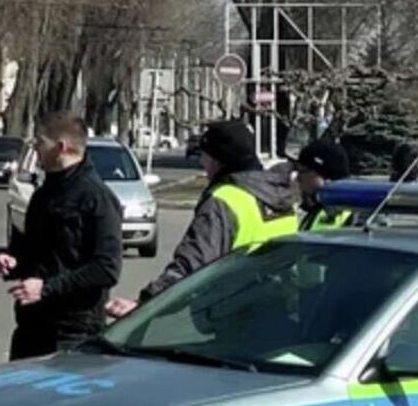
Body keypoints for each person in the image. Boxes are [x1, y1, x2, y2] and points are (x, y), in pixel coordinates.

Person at [106, 118, 296, 319]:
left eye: (204, 157)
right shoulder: (281, 197)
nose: (202, 164)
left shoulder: (224, 201)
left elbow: (191, 264)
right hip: (281, 313)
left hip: (236, 318)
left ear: (218, 160)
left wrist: (145, 305)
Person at [0, 111, 123, 359]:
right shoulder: (44, 194)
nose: (36, 150)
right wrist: (12, 261)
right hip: (31, 326)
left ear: (61, 147)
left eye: (40, 143)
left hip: (73, 333)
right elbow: (34, 250)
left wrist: (47, 288)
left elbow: (107, 268)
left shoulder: (96, 198)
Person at [296, 138, 354, 231]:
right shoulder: (316, 210)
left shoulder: (353, 218)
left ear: (326, 177)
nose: (297, 178)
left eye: (303, 171)